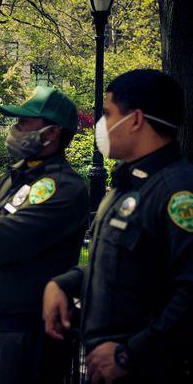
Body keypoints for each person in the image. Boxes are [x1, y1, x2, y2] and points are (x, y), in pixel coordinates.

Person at [43, 70, 193, 384]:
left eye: (108, 114)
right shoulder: (128, 185)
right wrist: (66, 282)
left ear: (136, 120)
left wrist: (129, 354)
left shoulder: (178, 193)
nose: (102, 126)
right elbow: (129, 268)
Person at [0, 86, 89, 384]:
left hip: (25, 337)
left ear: (51, 133)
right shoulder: (13, 175)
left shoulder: (62, 186)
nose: (15, 128)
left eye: (24, 122)